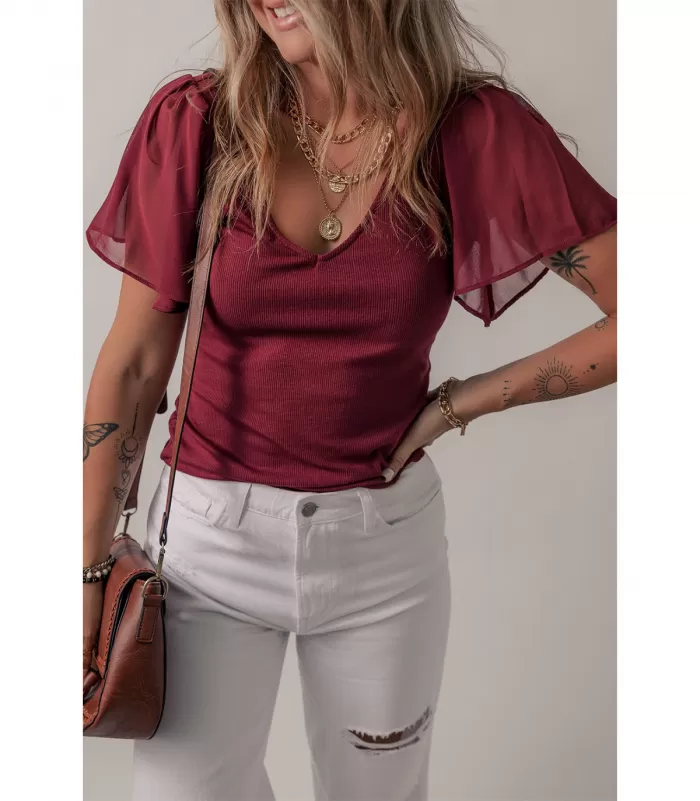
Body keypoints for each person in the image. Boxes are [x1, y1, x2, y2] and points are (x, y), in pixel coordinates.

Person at [83, 1, 617, 799]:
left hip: (383, 552)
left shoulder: (471, 133)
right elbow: (132, 366)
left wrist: (463, 401)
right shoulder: (200, 124)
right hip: (207, 549)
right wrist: (86, 567)